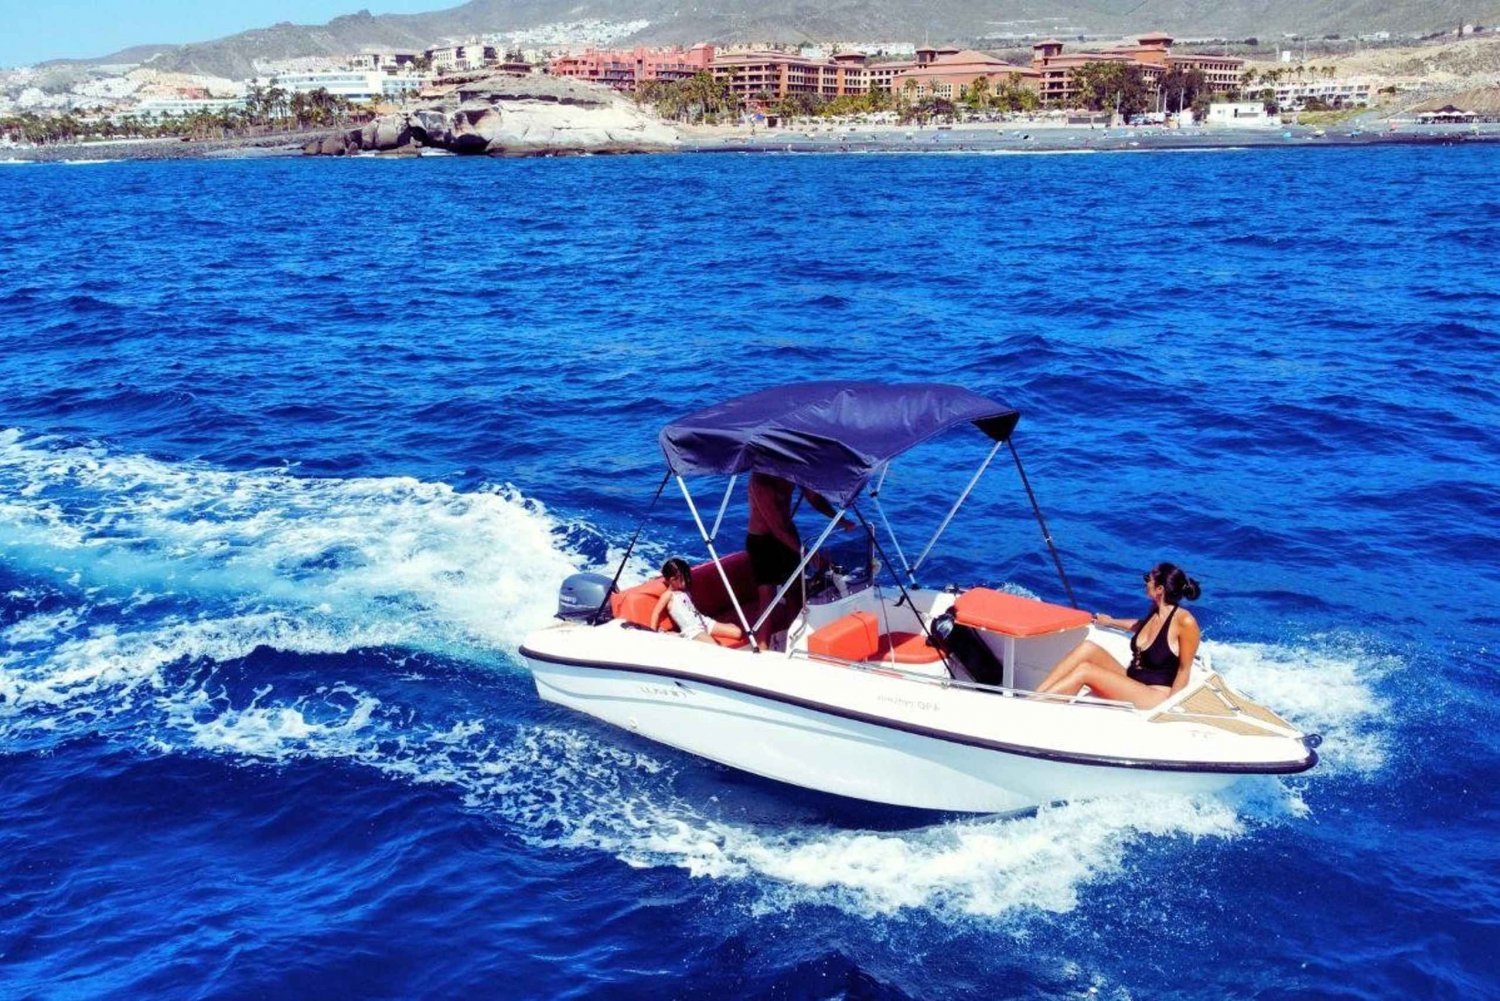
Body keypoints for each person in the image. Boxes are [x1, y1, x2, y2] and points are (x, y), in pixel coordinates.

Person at [1034, 562, 1202, 709]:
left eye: (1148, 579)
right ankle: (1035, 697)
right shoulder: (1155, 610)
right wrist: (1110, 622)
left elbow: (1184, 669)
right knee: (1088, 648)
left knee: (1085, 671)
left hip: (1155, 695)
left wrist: (1168, 709)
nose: (1145, 582)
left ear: (1160, 589)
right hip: (1134, 680)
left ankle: (1038, 709)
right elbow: (1141, 626)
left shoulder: (1185, 621)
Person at [745, 472, 851, 642]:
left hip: (788, 534)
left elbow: (814, 498)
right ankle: (762, 646)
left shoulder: (790, 471)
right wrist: (810, 555)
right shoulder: (760, 481)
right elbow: (776, 528)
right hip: (762, 542)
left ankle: (793, 642)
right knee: (768, 597)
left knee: (796, 592)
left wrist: (840, 520)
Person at [650, 557, 745, 645]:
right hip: (693, 631)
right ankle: (680, 636)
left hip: (704, 622)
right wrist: (652, 634)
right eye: (682, 578)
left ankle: (726, 623)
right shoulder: (668, 595)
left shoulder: (684, 591)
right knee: (715, 647)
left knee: (738, 633)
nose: (686, 581)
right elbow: (656, 613)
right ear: (672, 580)